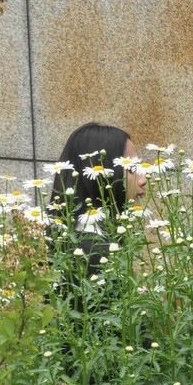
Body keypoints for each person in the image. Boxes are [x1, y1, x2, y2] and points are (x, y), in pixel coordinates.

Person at [48, 122, 145, 301]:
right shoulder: (93, 253)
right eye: (131, 169)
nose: (143, 179)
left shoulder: (57, 239)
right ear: (102, 174)